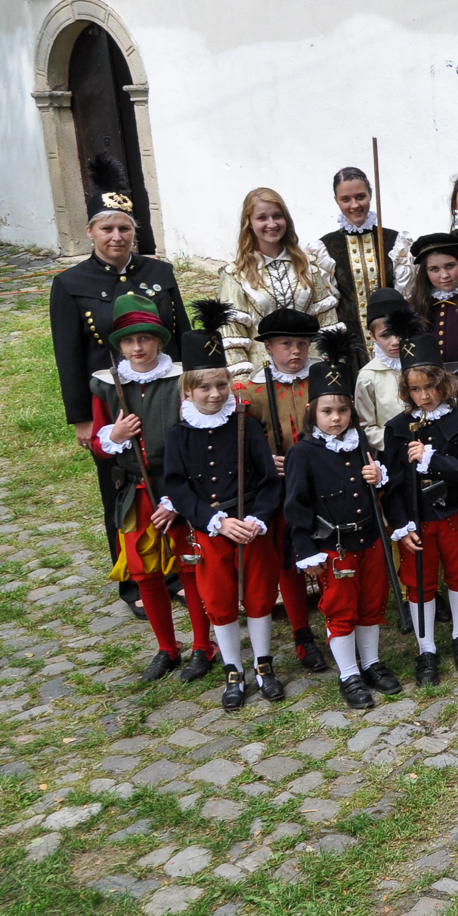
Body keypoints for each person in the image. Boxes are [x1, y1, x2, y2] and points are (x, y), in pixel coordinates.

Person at [49, 154, 186, 615]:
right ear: (90, 232)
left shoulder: (159, 274)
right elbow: (68, 355)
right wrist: (81, 419)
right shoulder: (71, 283)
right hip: (112, 404)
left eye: (124, 228)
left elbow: (181, 335)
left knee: (170, 478)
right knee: (122, 491)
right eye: (106, 228)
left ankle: (176, 570)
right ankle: (133, 579)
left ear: (134, 232)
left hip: (164, 394)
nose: (116, 236)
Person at [162, 301, 284, 710]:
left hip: (251, 526)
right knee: (219, 599)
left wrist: (256, 519)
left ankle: (263, 663)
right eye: (205, 388)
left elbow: (268, 481)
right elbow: (178, 487)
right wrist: (214, 520)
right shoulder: (180, 435)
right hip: (212, 529)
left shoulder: (245, 425)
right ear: (188, 391)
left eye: (220, 384)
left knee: (260, 593)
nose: (214, 394)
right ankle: (234, 668)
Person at [87, 293, 213, 684]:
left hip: (177, 488)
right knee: (144, 573)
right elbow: (98, 443)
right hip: (134, 492)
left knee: (189, 566)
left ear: (158, 340)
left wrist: (177, 498)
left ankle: (203, 646)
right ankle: (166, 648)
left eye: (144, 338)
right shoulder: (106, 385)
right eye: (128, 340)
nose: (137, 347)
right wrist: (115, 435)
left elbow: (197, 438)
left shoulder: (180, 381)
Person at [284, 326, 401, 709]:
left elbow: (374, 487)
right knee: (341, 608)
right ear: (311, 412)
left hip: (369, 539)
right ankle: (349, 673)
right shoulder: (303, 453)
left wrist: (378, 477)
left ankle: (371, 662)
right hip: (334, 547)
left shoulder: (360, 442)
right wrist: (306, 550)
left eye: (343, 410)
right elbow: (296, 507)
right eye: (327, 411)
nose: (336, 419)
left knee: (372, 603)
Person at [382, 310, 458, 685]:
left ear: (443, 383)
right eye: (415, 389)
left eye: (430, 386)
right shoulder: (396, 428)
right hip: (416, 521)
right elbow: (391, 483)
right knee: (419, 581)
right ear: (405, 391)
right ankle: (426, 648)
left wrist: (434, 459)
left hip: (455, 513)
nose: (424, 396)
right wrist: (400, 524)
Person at [237, 306, 324, 674]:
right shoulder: (251, 391)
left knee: (329, 552)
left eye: (302, 344)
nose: (295, 352)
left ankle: (338, 621)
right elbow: (241, 442)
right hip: (284, 487)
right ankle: (302, 633)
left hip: (324, 480)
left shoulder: (322, 378)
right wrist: (263, 462)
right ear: (268, 347)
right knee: (290, 558)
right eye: (286, 344)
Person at [217, 187, 339, 383]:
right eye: (262, 218)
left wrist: (330, 370)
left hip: (312, 372)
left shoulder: (308, 266)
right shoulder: (236, 275)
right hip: (262, 377)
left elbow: (328, 323)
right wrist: (244, 385)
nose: (272, 224)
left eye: (277, 216)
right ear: (249, 223)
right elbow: (232, 337)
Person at [318, 166, 412, 335]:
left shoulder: (395, 242)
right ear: (336, 200)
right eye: (346, 199)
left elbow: (407, 300)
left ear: (370, 194)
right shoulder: (325, 248)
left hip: (391, 339)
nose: (355, 205)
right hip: (350, 342)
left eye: (360, 197)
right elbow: (328, 310)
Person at [407, 232, 458, 367]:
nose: (444, 275)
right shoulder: (414, 306)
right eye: (434, 269)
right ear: (425, 272)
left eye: (450, 266)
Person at [355, 288, 411, 450]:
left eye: (399, 332)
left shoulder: (425, 365)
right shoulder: (368, 377)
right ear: (373, 336)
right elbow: (366, 426)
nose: (395, 341)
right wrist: (397, 444)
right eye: (385, 335)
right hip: (392, 452)